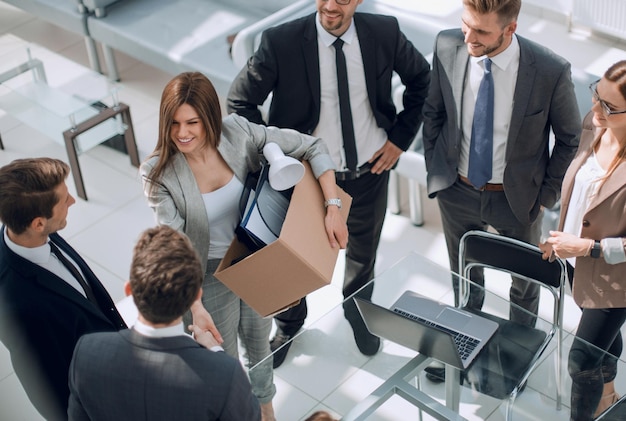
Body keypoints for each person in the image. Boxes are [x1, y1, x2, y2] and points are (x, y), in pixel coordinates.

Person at [227, 0, 430, 368]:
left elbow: (423, 80)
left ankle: (357, 310)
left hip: (369, 172)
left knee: (362, 255)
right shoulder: (280, 42)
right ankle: (290, 323)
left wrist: (400, 138)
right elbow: (240, 102)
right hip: (305, 181)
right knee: (292, 260)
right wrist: (277, 153)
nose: (331, 5)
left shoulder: (385, 33)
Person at [140, 71, 348, 421]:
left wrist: (332, 207)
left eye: (192, 122)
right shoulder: (158, 173)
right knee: (223, 362)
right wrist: (194, 305)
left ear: (209, 117)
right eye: (173, 123)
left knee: (259, 346)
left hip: (254, 264)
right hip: (204, 278)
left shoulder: (238, 132)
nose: (182, 133)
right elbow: (175, 247)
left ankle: (267, 412)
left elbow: (313, 146)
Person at [422, 0, 580, 381]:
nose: (468, 37)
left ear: (510, 29)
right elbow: (433, 113)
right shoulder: (447, 45)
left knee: (523, 285)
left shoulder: (549, 70)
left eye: (481, 32)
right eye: (466, 25)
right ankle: (461, 344)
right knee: (462, 274)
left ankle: (516, 358)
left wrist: (545, 197)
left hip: (516, 200)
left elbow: (570, 137)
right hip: (456, 190)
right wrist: (437, 169)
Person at [0, 158, 220, 420]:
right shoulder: (16, 306)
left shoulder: (37, 231)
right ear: (38, 223)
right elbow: (49, 392)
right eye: (63, 199)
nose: (72, 201)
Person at [67, 225, 261, 420]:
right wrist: (216, 352)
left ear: (129, 291)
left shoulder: (86, 353)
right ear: (196, 296)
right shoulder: (225, 376)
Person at [540, 61, 626, 421]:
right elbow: (580, 194)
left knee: (581, 360)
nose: (595, 110)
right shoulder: (595, 125)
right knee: (601, 338)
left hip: (615, 278)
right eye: (596, 95)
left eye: (608, 106)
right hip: (577, 263)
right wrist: (560, 238)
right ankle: (609, 395)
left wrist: (587, 248)